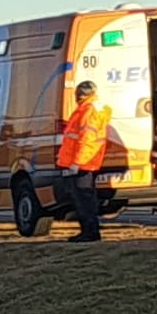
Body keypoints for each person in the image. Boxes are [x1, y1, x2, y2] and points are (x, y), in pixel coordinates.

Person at [56, 78, 115, 241]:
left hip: (82, 164)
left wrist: (77, 163)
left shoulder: (88, 111)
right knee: (82, 198)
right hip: (81, 162)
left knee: (84, 198)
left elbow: (87, 139)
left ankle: (90, 232)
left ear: (80, 95)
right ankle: (88, 231)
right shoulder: (87, 109)